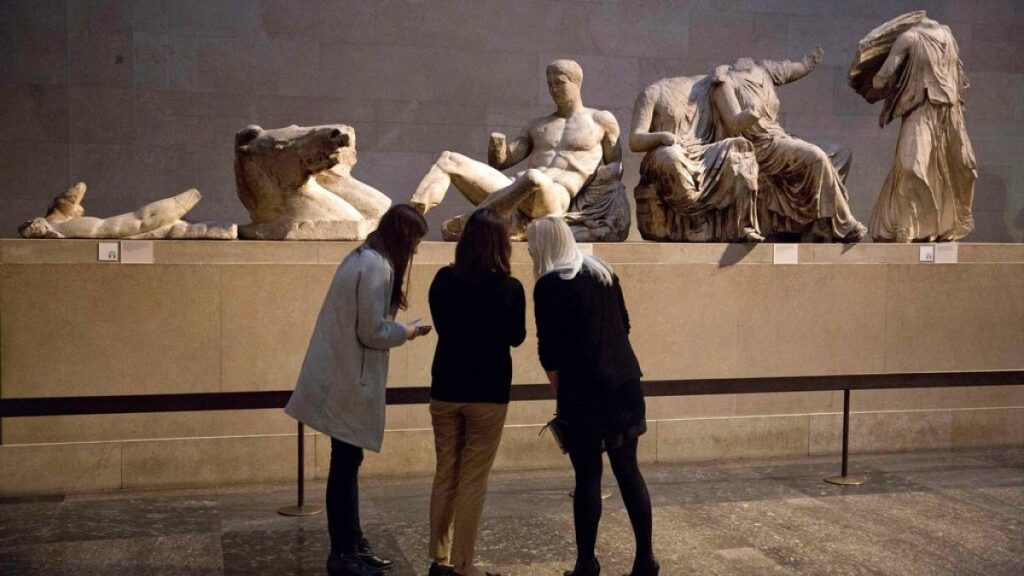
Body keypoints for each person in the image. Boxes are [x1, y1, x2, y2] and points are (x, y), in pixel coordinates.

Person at [285, 204, 429, 576]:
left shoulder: (362, 257)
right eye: (414, 241)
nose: (415, 251)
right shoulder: (377, 267)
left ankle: (353, 544)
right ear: (402, 236)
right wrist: (408, 332)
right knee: (345, 467)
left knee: (346, 465)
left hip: (341, 376)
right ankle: (344, 553)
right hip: (349, 380)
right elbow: (372, 332)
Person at [526, 217, 659, 576]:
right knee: (629, 471)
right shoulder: (603, 272)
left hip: (584, 392)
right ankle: (646, 558)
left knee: (587, 477)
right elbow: (625, 325)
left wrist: (561, 391)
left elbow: (548, 351)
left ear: (543, 247)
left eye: (530, 246)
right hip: (625, 383)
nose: (528, 252)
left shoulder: (549, 284)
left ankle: (587, 563)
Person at [410, 59, 622, 235]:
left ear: (577, 83)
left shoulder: (600, 120)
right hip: (512, 189)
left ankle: (472, 222)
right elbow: (501, 163)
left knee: (534, 178)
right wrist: (497, 145)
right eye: (549, 84)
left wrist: (606, 174)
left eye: (559, 83)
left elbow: (616, 163)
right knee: (449, 159)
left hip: (553, 199)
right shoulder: (538, 125)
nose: (554, 89)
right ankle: (411, 218)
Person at [426, 208, 526, 576]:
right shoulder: (510, 288)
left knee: (445, 472)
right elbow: (516, 337)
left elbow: (441, 324)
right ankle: (463, 563)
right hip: (489, 390)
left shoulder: (443, 279)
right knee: (473, 478)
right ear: (501, 245)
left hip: (447, 386)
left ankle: (438, 557)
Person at [711, 50, 868, 242]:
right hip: (760, 147)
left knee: (841, 154)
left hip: (780, 139)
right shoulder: (725, 82)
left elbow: (795, 69)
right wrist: (752, 113)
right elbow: (733, 123)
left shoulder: (764, 70)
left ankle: (818, 220)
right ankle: (843, 223)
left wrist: (809, 62)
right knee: (816, 157)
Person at [867, 15, 976, 242]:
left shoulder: (947, 36)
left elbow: (880, 80)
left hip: (949, 112)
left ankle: (942, 226)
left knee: (962, 167)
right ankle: (905, 226)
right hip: (920, 108)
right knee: (911, 166)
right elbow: (882, 77)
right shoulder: (909, 38)